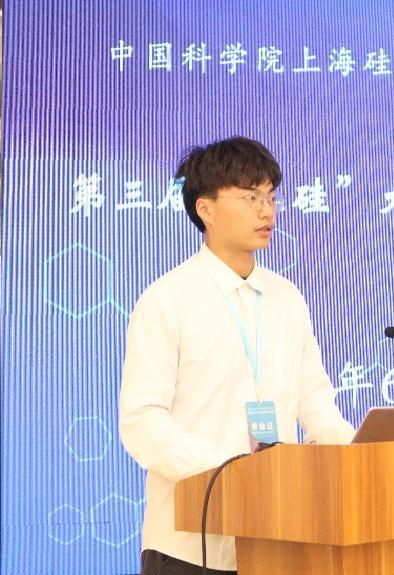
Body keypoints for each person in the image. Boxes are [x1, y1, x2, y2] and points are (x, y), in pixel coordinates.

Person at [119, 136, 355, 575]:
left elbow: (317, 406)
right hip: (190, 544)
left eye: (270, 196)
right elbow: (142, 422)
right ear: (205, 209)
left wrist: (361, 458)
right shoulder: (168, 299)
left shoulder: (286, 298)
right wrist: (226, 474)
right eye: (250, 197)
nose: (267, 211)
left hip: (277, 539)